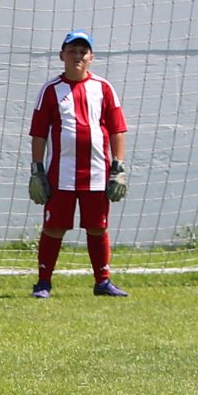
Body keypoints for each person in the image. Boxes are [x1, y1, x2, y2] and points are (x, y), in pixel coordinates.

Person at [27, 30, 130, 298]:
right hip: (61, 174)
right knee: (54, 227)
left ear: (91, 57)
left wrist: (118, 168)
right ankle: (43, 283)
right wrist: (37, 170)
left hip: (97, 171)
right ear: (62, 55)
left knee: (98, 226)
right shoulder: (50, 90)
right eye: (72, 51)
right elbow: (38, 132)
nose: (77, 56)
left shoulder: (104, 88)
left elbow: (118, 129)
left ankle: (103, 282)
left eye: (83, 51)